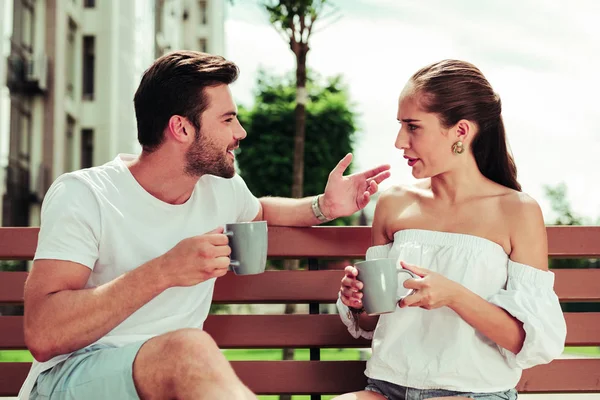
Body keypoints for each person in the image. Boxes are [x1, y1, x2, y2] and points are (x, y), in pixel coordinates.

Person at [18, 50, 391, 400]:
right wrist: (165, 270)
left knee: (184, 351)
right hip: (70, 378)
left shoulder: (220, 190)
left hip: (169, 383)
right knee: (186, 349)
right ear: (181, 128)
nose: (241, 132)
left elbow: (261, 211)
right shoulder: (85, 194)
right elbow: (45, 334)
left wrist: (324, 206)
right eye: (228, 119)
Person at [336, 59, 566, 400]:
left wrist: (454, 296)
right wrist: (358, 304)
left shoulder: (517, 211)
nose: (400, 141)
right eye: (400, 126)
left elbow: (527, 341)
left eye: (413, 127)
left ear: (460, 131)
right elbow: (373, 322)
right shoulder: (393, 204)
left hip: (471, 392)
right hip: (385, 388)